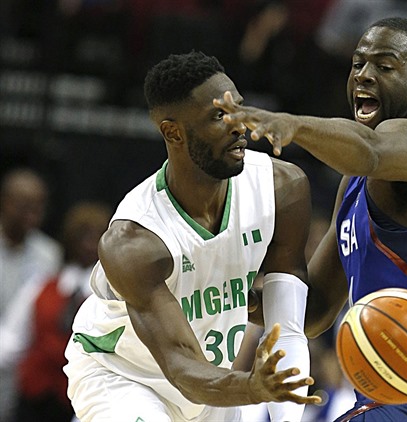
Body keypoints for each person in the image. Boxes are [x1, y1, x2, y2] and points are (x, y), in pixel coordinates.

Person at [214, 16, 407, 421]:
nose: (364, 76)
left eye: (384, 67)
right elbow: (315, 309)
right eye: (357, 64)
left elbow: (369, 149)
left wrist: (293, 125)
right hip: (390, 391)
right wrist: (232, 295)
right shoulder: (354, 182)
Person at [63, 51, 321, 422]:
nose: (240, 126)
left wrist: (282, 412)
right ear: (173, 132)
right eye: (219, 115)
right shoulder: (135, 241)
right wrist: (251, 388)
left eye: (239, 109)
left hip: (215, 383)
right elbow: (181, 364)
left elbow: (288, 331)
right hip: (125, 377)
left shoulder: (283, 189)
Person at [0, 201, 112, 422]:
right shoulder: (43, 286)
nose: (88, 245)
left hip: (81, 404)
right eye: (83, 236)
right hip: (33, 401)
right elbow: (10, 341)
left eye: (95, 237)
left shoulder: (111, 298)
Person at [0, 167, 63, 421]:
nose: (32, 214)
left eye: (38, 206)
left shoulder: (49, 254)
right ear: (5, 202)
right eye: (24, 205)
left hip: (23, 373)